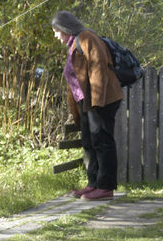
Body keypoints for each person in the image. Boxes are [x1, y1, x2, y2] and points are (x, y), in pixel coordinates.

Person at [52, 11, 123, 201]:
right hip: (86, 102)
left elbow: (98, 67)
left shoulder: (87, 38)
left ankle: (106, 187)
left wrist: (98, 102)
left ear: (64, 28)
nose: (55, 35)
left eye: (56, 31)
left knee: (103, 141)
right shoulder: (74, 43)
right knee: (89, 142)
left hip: (102, 99)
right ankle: (93, 184)